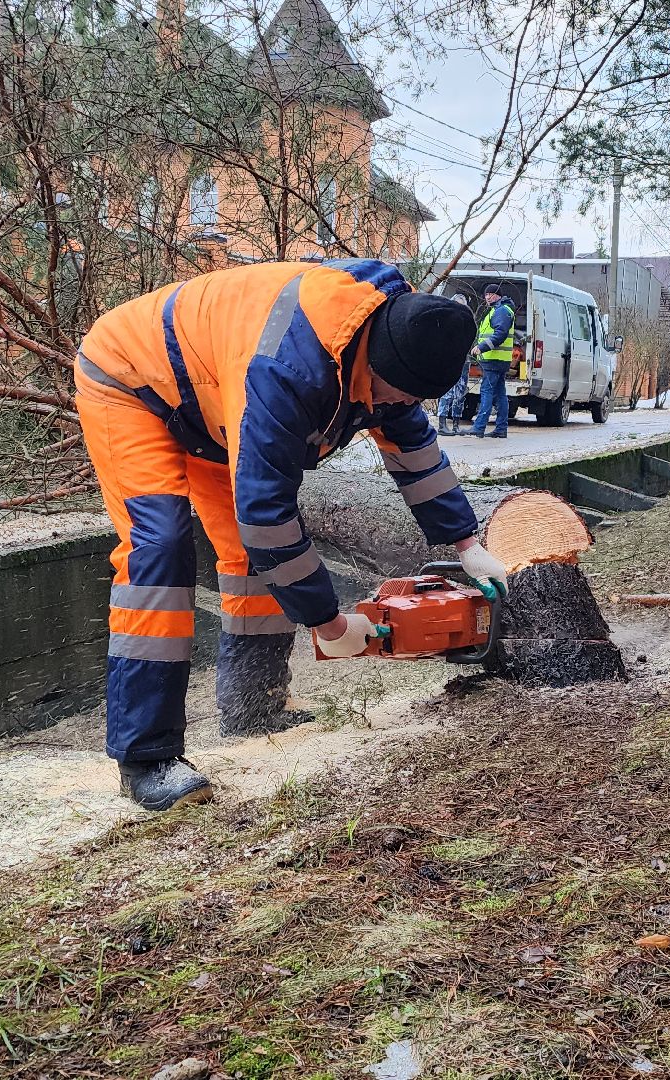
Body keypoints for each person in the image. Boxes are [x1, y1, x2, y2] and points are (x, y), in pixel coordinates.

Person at [75, 259, 510, 810]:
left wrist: (468, 545)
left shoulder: (395, 336)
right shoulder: (289, 370)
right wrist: (329, 623)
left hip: (214, 403)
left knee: (248, 559)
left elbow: (416, 453)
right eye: (396, 397)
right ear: (376, 364)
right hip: (133, 382)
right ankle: (147, 759)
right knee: (159, 548)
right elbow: (267, 516)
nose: (398, 409)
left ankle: (252, 708)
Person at [469, 283, 517, 438]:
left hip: (494, 360)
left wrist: (482, 347)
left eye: (490, 294)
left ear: (498, 296)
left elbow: (500, 334)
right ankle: (501, 429)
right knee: (500, 394)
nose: (487, 297)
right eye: (486, 294)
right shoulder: (499, 310)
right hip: (497, 360)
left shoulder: (501, 311)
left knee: (487, 392)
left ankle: (479, 427)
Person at [435, 293, 474, 435]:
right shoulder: (445, 319)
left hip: (464, 360)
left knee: (460, 393)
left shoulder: (467, 319)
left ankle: (456, 423)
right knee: (447, 392)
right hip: (449, 360)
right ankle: (442, 424)